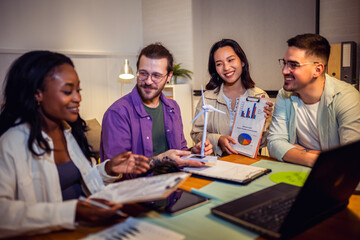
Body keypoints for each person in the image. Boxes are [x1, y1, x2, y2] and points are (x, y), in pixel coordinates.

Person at [0, 51, 150, 238]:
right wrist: (72, 211)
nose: (78, 98)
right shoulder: (12, 142)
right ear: (38, 94)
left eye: (78, 90)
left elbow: (82, 180)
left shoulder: (68, 132)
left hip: (87, 230)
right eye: (67, 91)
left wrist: (109, 169)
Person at [100, 43, 212, 176]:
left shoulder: (173, 107)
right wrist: (161, 159)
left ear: (169, 77)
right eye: (143, 73)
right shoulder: (117, 113)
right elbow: (118, 170)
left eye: (156, 76)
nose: (148, 81)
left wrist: (192, 152)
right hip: (139, 193)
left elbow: (179, 150)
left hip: (175, 189)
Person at [267, 33, 360, 167]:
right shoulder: (284, 94)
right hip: (298, 172)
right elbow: (274, 143)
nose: (284, 70)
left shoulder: (346, 97)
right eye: (285, 63)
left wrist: (297, 151)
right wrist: (311, 156)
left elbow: (351, 158)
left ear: (317, 69)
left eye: (293, 65)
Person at [191, 39, 273, 156]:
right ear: (215, 69)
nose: (226, 67)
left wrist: (263, 122)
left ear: (242, 62)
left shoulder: (260, 97)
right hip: (217, 164)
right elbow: (196, 134)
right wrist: (218, 140)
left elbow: (268, 140)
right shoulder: (208, 98)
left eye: (230, 60)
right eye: (219, 64)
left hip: (248, 165)